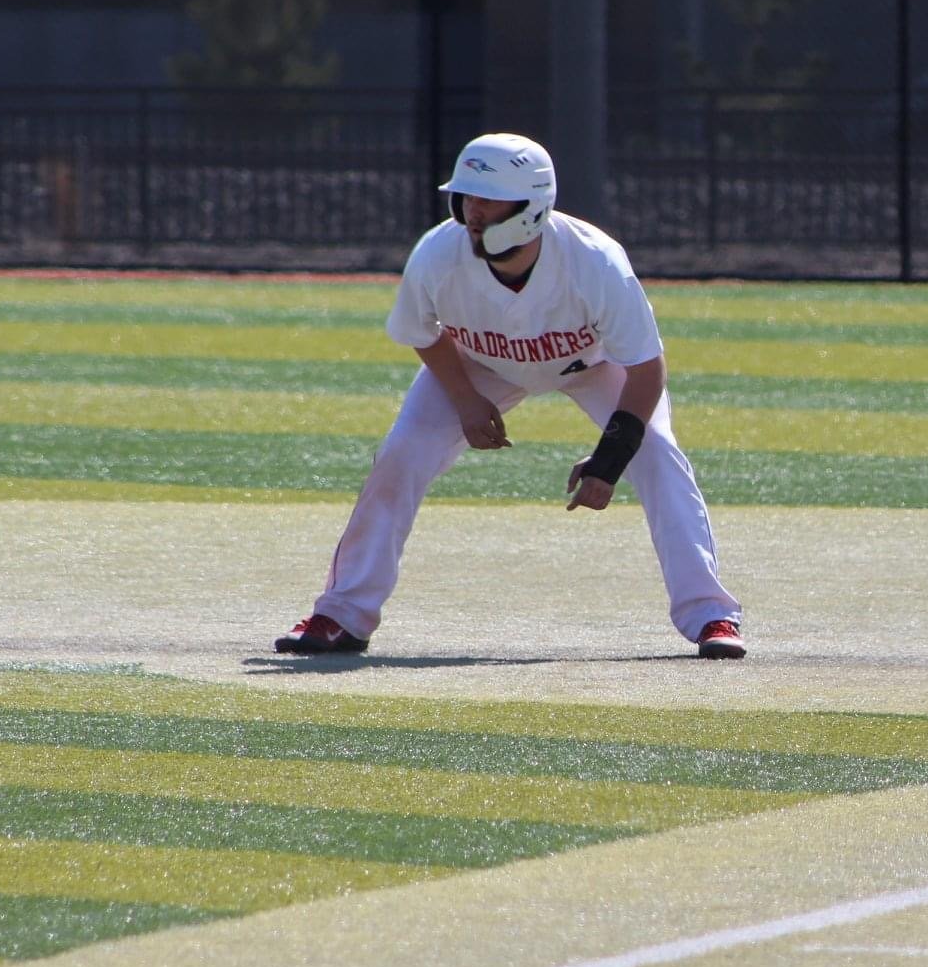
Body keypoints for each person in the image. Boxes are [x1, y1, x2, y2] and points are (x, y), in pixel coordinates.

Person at [276, 132, 745, 659]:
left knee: (658, 455)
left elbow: (645, 365)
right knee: (400, 455)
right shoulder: (438, 253)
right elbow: (421, 332)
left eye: (487, 199)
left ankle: (712, 615)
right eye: (467, 196)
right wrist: (466, 400)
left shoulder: (595, 260)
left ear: (531, 205)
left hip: (592, 365)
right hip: (478, 365)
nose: (472, 211)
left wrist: (611, 457)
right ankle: (342, 615)